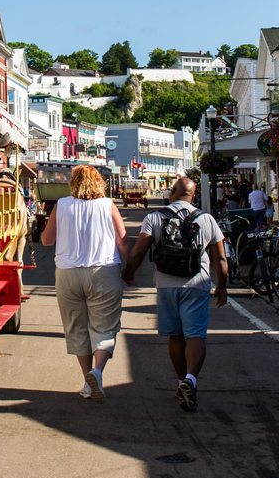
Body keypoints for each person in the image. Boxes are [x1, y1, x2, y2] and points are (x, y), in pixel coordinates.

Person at [122, 176, 228, 413]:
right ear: (193, 194)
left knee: (175, 336)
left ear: (172, 192)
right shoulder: (206, 219)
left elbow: (139, 251)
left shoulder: (155, 218)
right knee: (196, 335)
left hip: (166, 283)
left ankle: (182, 381)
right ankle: (191, 380)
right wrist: (222, 286)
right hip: (197, 283)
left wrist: (128, 273)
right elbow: (220, 258)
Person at [41, 164, 126, 402]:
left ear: (72, 183)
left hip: (67, 275)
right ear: (99, 182)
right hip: (103, 271)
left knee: (76, 328)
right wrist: (129, 269)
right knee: (104, 327)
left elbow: (47, 240)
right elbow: (122, 241)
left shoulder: (62, 205)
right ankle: (97, 372)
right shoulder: (107, 205)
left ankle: (87, 382)